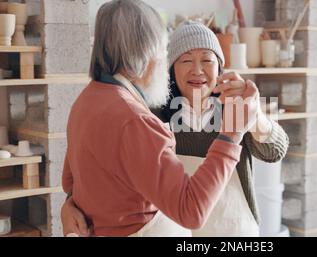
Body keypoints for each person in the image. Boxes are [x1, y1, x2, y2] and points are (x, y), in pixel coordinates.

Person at [62, 20, 289, 237]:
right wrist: (70, 202)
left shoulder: (235, 110)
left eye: (207, 60)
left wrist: (256, 116)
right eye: (186, 61)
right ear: (170, 70)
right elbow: (105, 166)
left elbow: (274, 151)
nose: (197, 71)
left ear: (220, 67)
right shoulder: (153, 116)